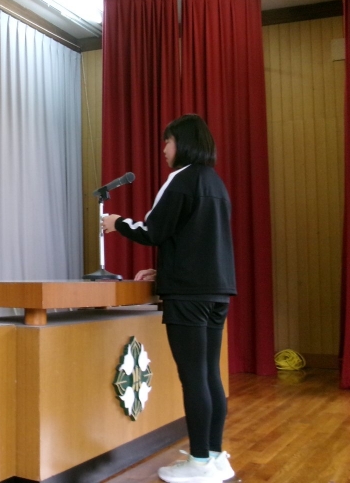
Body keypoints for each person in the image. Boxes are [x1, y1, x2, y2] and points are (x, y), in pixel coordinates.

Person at [102, 114, 237, 483]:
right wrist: (164, 271)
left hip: (189, 295)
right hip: (217, 290)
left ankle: (199, 463)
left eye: (168, 141)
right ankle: (214, 457)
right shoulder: (215, 182)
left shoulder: (181, 179)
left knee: (193, 378)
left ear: (184, 143)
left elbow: (154, 230)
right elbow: (197, 240)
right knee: (209, 374)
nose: (164, 149)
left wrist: (117, 222)